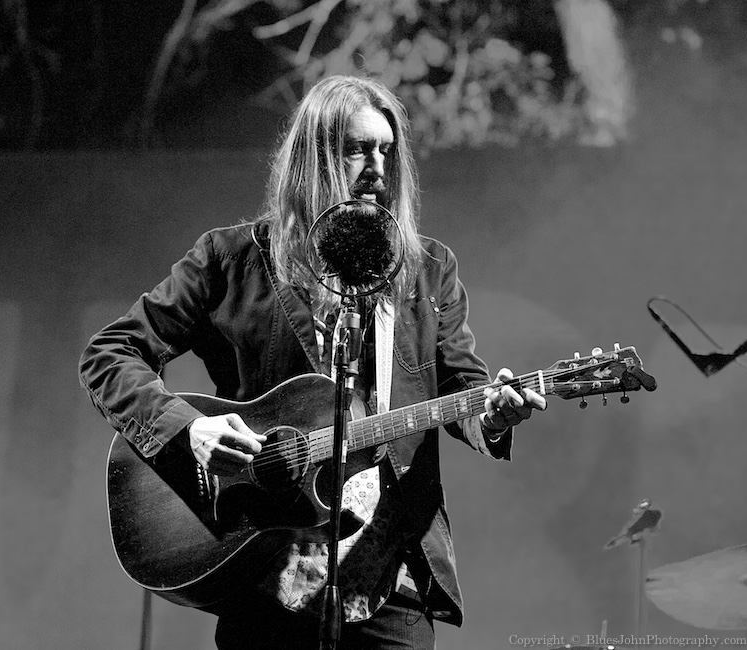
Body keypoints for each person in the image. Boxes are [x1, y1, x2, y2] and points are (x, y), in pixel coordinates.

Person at [78, 74, 547, 650]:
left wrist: (493, 415)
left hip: (389, 584)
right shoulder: (230, 261)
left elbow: (462, 390)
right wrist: (190, 431)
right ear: (314, 158)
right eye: (357, 148)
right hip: (264, 575)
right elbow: (110, 353)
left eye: (387, 149)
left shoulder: (428, 270)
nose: (377, 166)